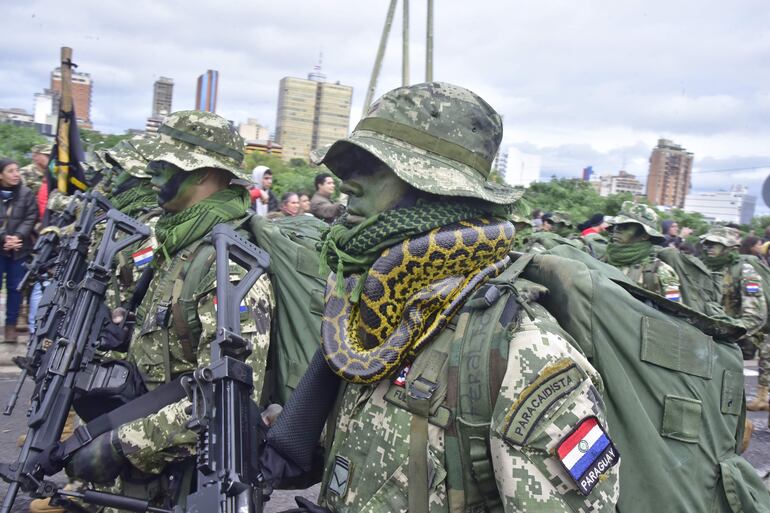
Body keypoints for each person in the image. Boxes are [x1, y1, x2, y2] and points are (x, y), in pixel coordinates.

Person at [302, 82, 619, 512]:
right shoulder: (371, 304)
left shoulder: (524, 351)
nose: (347, 185)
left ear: (436, 189)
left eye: (372, 166)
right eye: (348, 166)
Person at [40, 111, 275, 512]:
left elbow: (226, 404)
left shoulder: (228, 267)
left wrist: (117, 446)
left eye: (163, 165)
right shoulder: (179, 245)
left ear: (203, 173)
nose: (150, 176)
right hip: (142, 482)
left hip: (186, 486)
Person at [699, 226, 768, 408]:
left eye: (716, 244)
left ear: (730, 247)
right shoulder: (700, 268)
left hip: (735, 338)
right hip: (707, 337)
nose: (709, 248)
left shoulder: (744, 271)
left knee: (727, 398)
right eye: (707, 243)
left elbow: (756, 315)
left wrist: (729, 332)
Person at [605, 201, 681, 301]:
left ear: (645, 236)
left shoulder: (662, 272)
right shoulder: (602, 260)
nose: (617, 230)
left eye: (625, 227)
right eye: (616, 226)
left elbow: (676, 310)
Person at [0, 158, 39, 343]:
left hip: (19, 249)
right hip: (1, 248)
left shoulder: (26, 193)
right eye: (10, 171)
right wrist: (4, 238)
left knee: (16, 289)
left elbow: (31, 216)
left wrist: (17, 237)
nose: (16, 174)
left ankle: (10, 327)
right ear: (1, 175)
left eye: (17, 170)